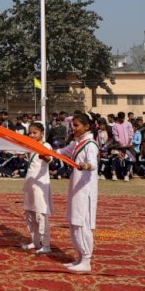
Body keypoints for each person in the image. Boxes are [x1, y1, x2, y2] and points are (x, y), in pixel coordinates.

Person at [55, 113, 98, 273]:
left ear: (87, 127)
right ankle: (80, 257)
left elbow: (93, 162)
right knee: (74, 222)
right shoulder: (77, 143)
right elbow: (61, 151)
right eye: (73, 125)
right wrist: (45, 151)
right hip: (76, 187)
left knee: (82, 224)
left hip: (85, 190)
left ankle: (86, 260)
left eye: (77, 125)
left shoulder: (90, 144)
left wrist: (86, 165)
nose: (74, 128)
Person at [22, 122, 53, 254]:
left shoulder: (46, 145)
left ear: (42, 133)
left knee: (41, 213)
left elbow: (50, 159)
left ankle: (46, 244)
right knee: (30, 213)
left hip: (40, 184)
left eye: (35, 132)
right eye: (30, 132)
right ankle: (35, 241)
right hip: (29, 182)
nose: (32, 135)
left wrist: (45, 157)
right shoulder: (29, 145)